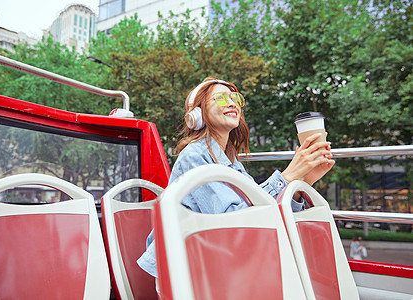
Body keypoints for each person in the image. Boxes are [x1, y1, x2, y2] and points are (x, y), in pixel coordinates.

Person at [137, 77, 335, 279]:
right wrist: (288, 175)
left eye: (236, 99)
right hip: (187, 272)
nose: (232, 103)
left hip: (218, 260)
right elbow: (233, 218)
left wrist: (303, 181)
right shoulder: (193, 156)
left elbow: (262, 209)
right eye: (221, 98)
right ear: (197, 114)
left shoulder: (231, 162)